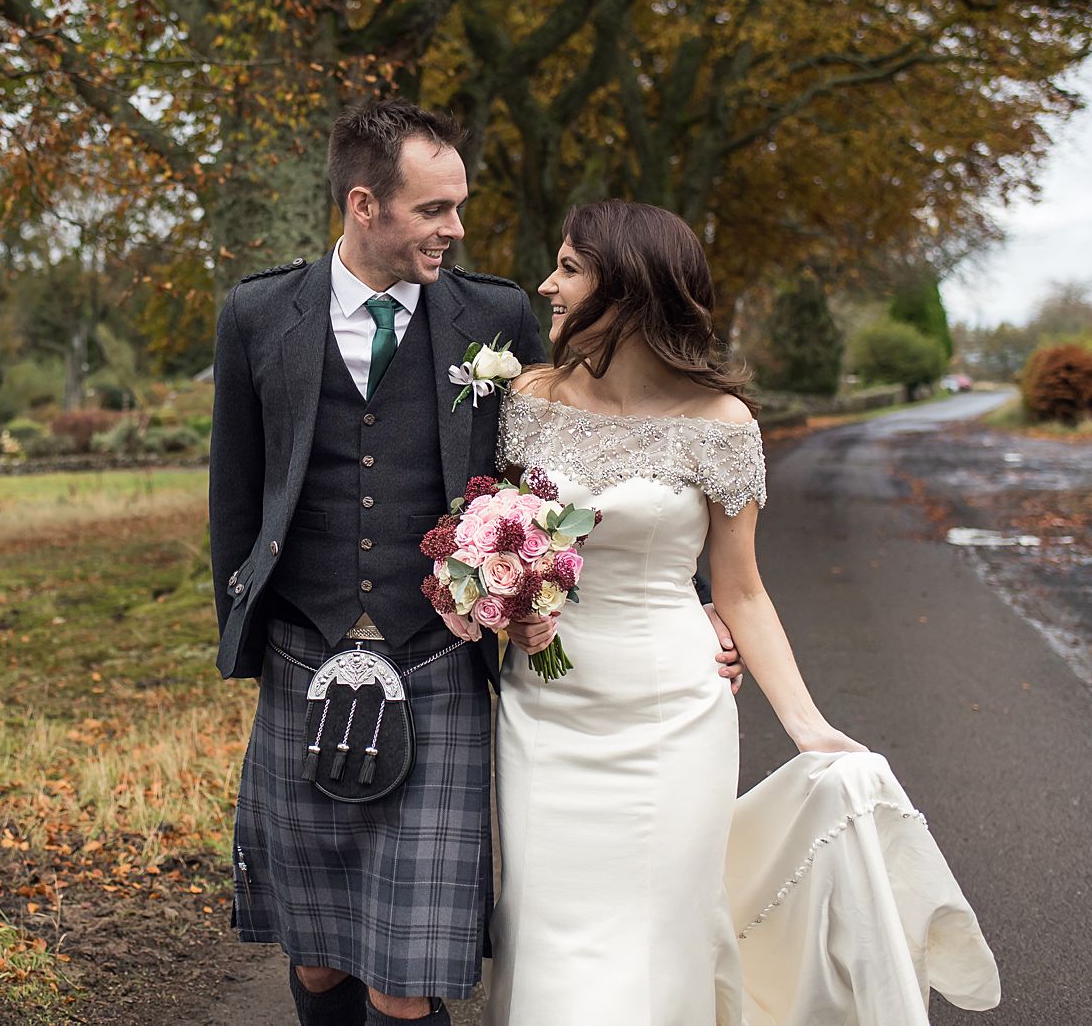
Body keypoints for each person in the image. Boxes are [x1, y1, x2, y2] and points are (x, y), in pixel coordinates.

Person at [209, 103, 743, 1025]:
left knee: (402, 980)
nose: (457, 228)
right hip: (303, 652)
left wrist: (694, 599)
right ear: (365, 204)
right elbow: (237, 495)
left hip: (437, 656)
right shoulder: (259, 313)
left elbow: (581, 466)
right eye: (435, 211)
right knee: (319, 958)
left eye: (460, 207)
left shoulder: (494, 317)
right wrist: (244, 639)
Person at [484, 200, 1000, 1024]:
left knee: (660, 934)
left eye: (570, 268)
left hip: (672, 716)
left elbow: (741, 589)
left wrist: (809, 727)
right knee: (549, 932)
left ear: (631, 286)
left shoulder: (722, 426)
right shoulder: (531, 398)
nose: (547, 284)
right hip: (546, 709)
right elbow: (501, 535)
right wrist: (499, 598)